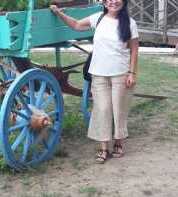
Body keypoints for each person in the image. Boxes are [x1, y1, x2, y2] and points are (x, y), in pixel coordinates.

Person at [50, 0, 139, 164]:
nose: (113, 2)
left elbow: (134, 50)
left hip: (121, 73)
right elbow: (76, 25)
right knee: (102, 109)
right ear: (105, 2)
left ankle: (118, 141)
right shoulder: (98, 18)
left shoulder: (130, 23)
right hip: (99, 73)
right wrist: (59, 13)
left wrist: (132, 73)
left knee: (119, 109)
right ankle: (104, 147)